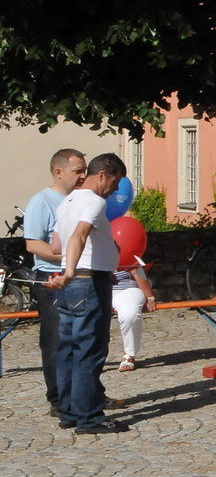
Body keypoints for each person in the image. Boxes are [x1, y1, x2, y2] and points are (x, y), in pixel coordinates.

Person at [42, 152, 129, 434]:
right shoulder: (93, 201)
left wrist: (97, 257)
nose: (116, 189)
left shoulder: (67, 201)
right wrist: (70, 271)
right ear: (103, 174)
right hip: (88, 282)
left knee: (68, 347)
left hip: (75, 283)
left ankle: (68, 411)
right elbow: (79, 235)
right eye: (115, 182)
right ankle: (89, 417)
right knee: (89, 350)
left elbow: (57, 244)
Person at [22, 148, 84, 416]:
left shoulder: (83, 199)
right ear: (59, 172)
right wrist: (66, 255)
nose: (83, 176)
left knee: (85, 339)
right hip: (52, 278)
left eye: (84, 170)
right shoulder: (42, 202)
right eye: (77, 171)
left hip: (81, 276)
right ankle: (59, 400)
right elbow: (33, 244)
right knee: (56, 341)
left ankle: (88, 394)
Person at [110, 255, 157, 372]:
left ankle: (129, 354)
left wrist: (149, 297)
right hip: (101, 289)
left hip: (126, 289)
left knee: (129, 315)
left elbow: (138, 273)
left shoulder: (128, 250)